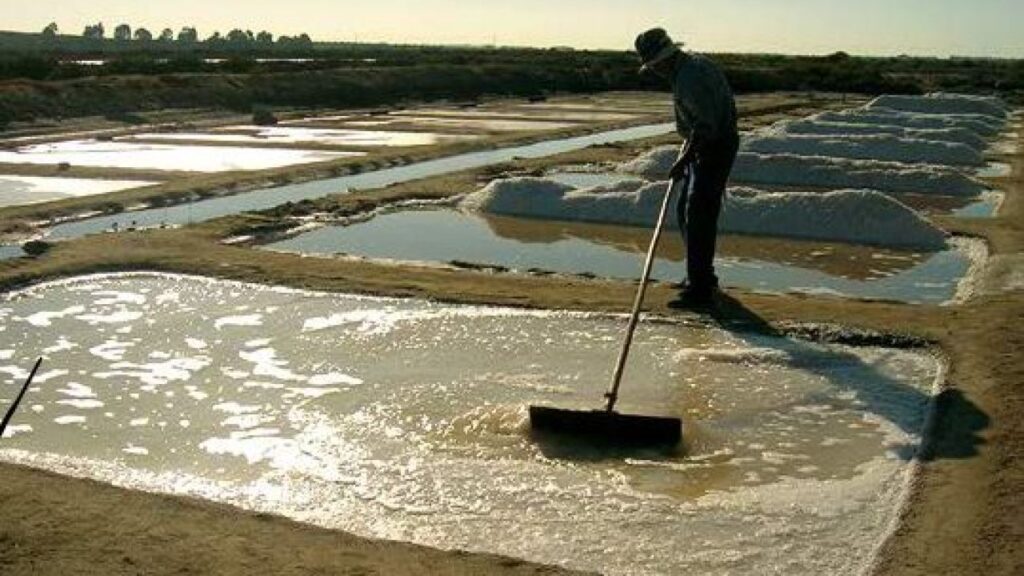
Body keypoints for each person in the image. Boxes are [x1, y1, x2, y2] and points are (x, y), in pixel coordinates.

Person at [635, 28, 739, 309]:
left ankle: (701, 289)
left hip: (714, 147)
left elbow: (706, 126)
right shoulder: (690, 66)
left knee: (698, 213)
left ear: (663, 59)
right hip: (708, 143)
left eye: (655, 66)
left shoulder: (690, 78)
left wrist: (684, 159)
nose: (655, 72)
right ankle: (701, 275)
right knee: (686, 210)